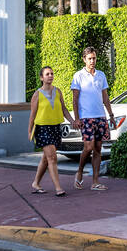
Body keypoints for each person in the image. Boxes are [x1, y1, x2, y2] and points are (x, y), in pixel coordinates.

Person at [70, 46, 115, 191]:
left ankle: (95, 182)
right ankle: (80, 171)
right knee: (88, 147)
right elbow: (75, 99)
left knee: (97, 149)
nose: (92, 61)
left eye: (94, 58)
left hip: (100, 117)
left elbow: (105, 97)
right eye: (89, 58)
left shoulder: (101, 75)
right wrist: (76, 118)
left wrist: (111, 115)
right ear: (84, 59)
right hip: (86, 118)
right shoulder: (78, 75)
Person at [28, 66, 75, 196]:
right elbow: (32, 114)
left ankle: (36, 183)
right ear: (41, 77)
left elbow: (64, 109)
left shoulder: (58, 91)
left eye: (52, 73)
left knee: (46, 158)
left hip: (55, 127)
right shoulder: (37, 94)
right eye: (47, 74)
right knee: (52, 157)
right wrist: (29, 131)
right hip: (42, 128)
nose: (50, 76)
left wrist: (72, 121)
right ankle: (58, 188)